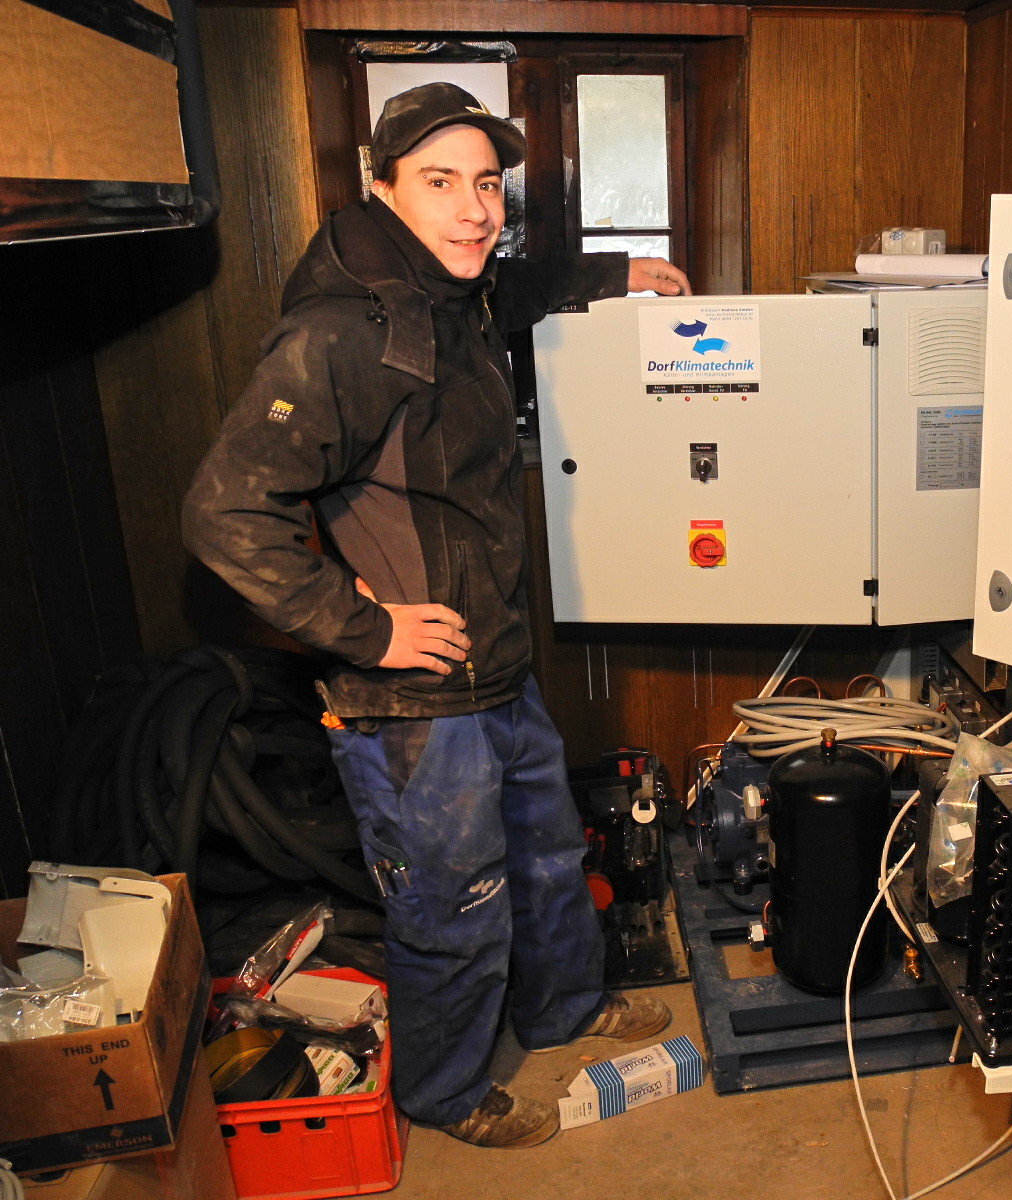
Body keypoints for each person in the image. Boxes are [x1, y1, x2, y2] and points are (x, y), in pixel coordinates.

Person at [183, 82, 692, 1148]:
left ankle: (562, 1007)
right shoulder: (339, 332)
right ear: (382, 190)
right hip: (412, 702)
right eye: (439, 182)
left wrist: (616, 274)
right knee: (453, 905)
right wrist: (369, 632)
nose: (474, 210)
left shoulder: (454, 289)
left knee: (548, 861)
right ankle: (448, 1090)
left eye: (487, 185)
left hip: (495, 664)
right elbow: (224, 511)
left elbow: (515, 284)